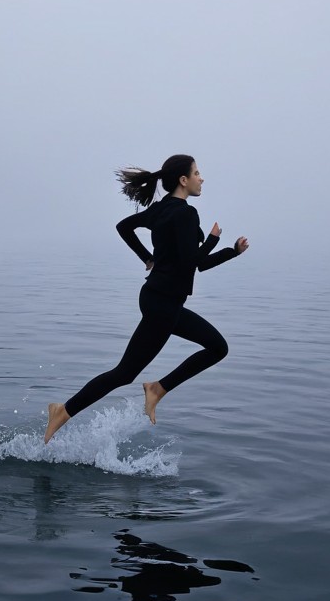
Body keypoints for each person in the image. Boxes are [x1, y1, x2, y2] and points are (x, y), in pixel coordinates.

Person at [44, 155, 249, 443]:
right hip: (163, 303)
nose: (201, 178)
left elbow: (124, 227)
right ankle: (64, 410)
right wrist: (218, 242)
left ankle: (156, 389)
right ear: (183, 179)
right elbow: (195, 263)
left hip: (161, 300)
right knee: (125, 372)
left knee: (216, 347)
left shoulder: (161, 210)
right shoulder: (185, 214)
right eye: (197, 172)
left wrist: (147, 258)